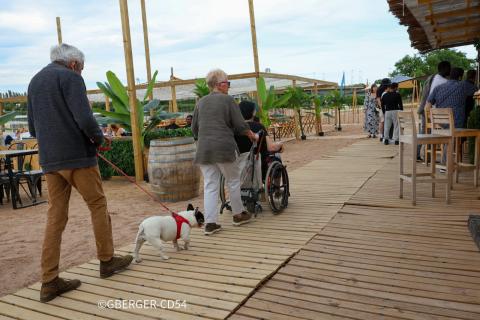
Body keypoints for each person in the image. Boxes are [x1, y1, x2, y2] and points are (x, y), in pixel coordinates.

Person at [27, 43, 133, 303]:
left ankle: (49, 281)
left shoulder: (34, 81)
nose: (82, 73)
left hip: (51, 161)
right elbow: (85, 119)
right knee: (97, 204)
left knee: (55, 217)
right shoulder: (71, 77)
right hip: (78, 157)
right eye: (82, 68)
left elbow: (31, 128)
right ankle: (107, 261)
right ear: (74, 64)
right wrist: (98, 139)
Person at [192, 69, 257, 235]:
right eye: (227, 83)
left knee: (210, 185)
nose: (228, 86)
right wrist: (251, 135)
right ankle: (238, 215)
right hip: (224, 148)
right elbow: (240, 124)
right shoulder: (228, 100)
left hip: (204, 150)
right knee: (233, 181)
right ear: (219, 85)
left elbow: (194, 128)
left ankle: (211, 223)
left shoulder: (200, 102)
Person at [235, 101, 283, 179]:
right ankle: (277, 187)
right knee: (277, 156)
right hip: (260, 165)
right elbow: (271, 147)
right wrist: (280, 144)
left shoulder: (235, 128)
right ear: (253, 112)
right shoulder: (259, 126)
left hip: (239, 166)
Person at [417, 61, 451, 160]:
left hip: (425, 110)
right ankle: (440, 158)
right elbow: (432, 99)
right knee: (446, 129)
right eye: (449, 68)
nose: (450, 70)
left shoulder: (432, 77)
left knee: (424, 132)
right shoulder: (443, 81)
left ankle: (424, 156)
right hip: (432, 112)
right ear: (445, 69)